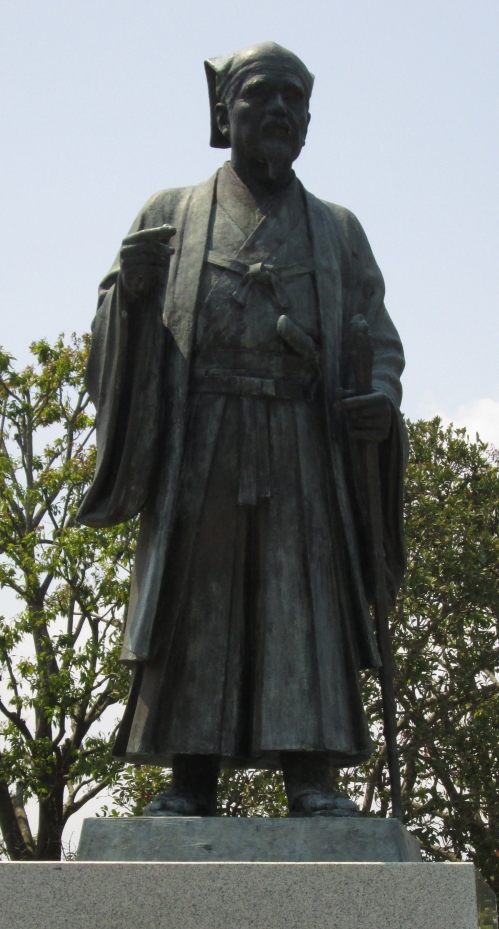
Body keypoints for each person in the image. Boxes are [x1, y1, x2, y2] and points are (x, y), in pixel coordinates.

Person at [77, 42, 406, 817]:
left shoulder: (336, 230)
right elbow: (109, 336)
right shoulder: (172, 214)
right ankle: (189, 781)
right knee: (199, 604)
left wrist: (380, 397)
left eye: (296, 100)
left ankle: (313, 779)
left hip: (302, 440)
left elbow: (377, 334)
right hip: (203, 440)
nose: (281, 112)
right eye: (263, 97)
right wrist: (129, 296)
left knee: (305, 601)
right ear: (224, 114)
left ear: (309, 121)